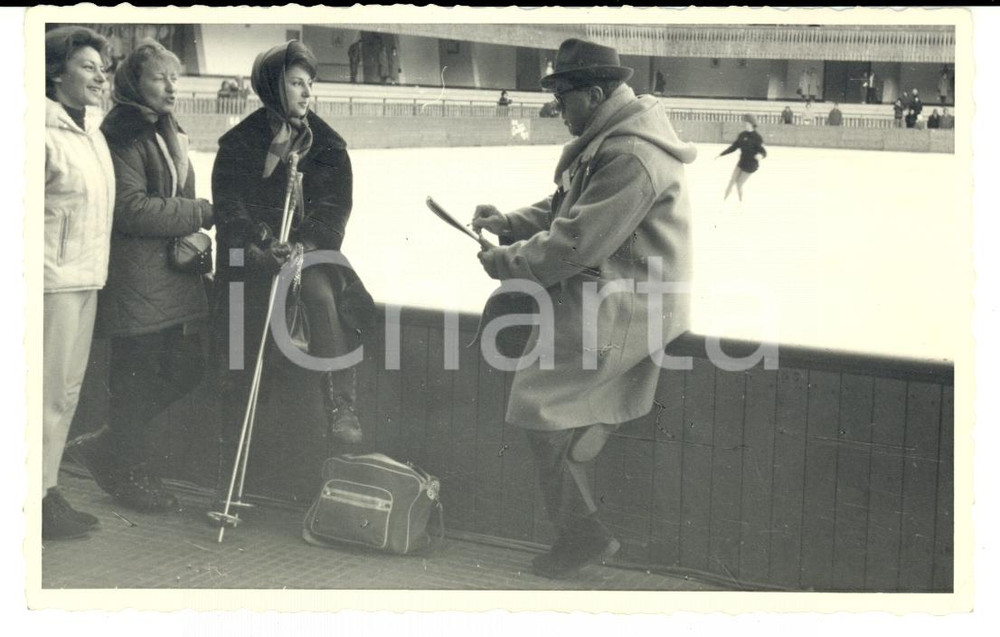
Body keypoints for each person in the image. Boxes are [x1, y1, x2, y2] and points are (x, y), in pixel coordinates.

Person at [471, 39, 696, 580]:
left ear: (594, 95)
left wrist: (506, 260)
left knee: (535, 401)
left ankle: (582, 527)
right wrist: (511, 222)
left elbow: (576, 243)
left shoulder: (631, 155)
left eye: (564, 100)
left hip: (630, 303)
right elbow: (568, 209)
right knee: (533, 387)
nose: (559, 112)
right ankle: (584, 449)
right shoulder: (615, 138)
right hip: (612, 291)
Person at [66, 39, 214, 513]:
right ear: (134, 84)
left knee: (186, 365)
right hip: (136, 283)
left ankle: (108, 448)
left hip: (167, 281)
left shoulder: (164, 128)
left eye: (174, 77)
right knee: (134, 385)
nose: (171, 86)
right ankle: (124, 471)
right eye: (159, 78)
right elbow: (130, 210)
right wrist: (202, 212)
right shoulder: (125, 133)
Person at [212, 40, 373, 466]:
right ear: (271, 86)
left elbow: (335, 208)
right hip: (252, 256)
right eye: (295, 83)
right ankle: (230, 462)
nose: (306, 92)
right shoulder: (239, 144)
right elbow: (228, 205)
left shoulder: (327, 146)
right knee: (240, 335)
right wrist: (260, 241)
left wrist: (304, 243)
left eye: (309, 83)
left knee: (321, 295)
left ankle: (342, 403)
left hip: (308, 255)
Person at [43, 26, 115, 540]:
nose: (99, 75)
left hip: (86, 277)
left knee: (65, 394)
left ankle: (44, 491)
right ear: (56, 72)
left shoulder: (90, 128)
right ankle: (34, 499)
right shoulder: (36, 129)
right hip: (49, 283)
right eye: (87, 66)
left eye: (101, 67)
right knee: (44, 394)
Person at [717, 113, 767, 203]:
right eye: (745, 123)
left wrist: (760, 155)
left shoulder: (757, 138)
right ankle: (723, 201)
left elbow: (763, 152)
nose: (745, 125)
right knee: (732, 181)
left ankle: (741, 202)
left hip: (751, 165)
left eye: (747, 123)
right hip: (742, 162)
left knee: (739, 183)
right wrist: (721, 154)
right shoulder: (742, 135)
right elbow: (734, 147)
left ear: (752, 124)